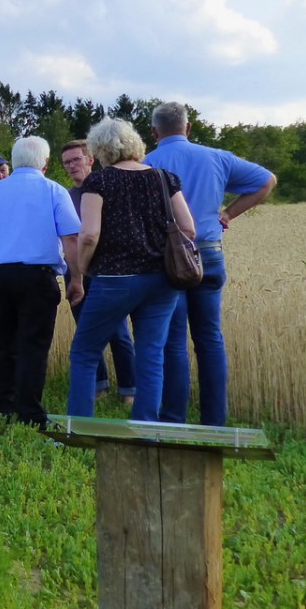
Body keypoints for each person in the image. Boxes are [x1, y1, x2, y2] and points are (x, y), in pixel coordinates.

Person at [146, 101, 276, 426]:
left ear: (154, 132)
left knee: (173, 341)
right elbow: (267, 181)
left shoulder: (146, 165)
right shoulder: (217, 157)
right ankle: (214, 422)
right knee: (209, 338)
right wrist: (229, 213)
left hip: (168, 259)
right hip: (209, 252)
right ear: (188, 128)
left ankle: (173, 420)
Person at [67, 118, 197, 422]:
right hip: (162, 281)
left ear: (99, 149)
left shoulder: (98, 182)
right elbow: (189, 229)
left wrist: (83, 267)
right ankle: (145, 428)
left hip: (114, 280)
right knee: (151, 355)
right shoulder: (165, 178)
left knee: (85, 352)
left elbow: (89, 234)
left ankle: (80, 427)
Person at [0, 138, 82, 428]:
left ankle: (4, 403)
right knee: (34, 343)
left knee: (4, 342)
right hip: (37, 276)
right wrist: (77, 278)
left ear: (13, 161)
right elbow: (71, 238)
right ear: (45, 163)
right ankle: (29, 411)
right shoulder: (54, 190)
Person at [60, 140, 136, 406]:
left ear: (90, 159)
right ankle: (99, 386)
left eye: (76, 159)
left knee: (118, 332)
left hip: (108, 271)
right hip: (75, 272)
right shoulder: (65, 197)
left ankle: (129, 390)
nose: (71, 166)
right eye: (66, 162)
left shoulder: (108, 188)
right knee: (86, 330)